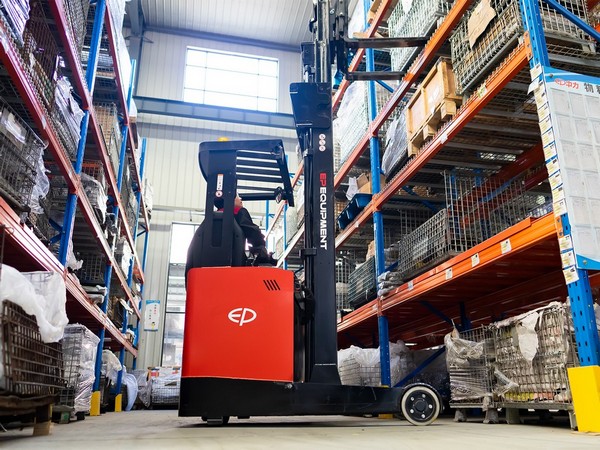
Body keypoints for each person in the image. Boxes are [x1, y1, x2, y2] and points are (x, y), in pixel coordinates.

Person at [214, 195, 277, 265]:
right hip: (234, 261)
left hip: (212, 260)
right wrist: (263, 254)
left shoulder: (213, 218)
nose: (240, 198)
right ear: (230, 199)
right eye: (237, 196)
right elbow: (252, 232)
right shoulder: (238, 212)